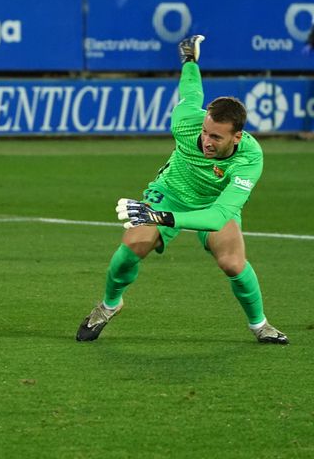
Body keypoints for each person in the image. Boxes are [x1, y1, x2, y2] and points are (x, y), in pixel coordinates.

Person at [76, 35, 288, 345]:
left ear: (237, 137)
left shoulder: (249, 159)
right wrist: (190, 61)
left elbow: (217, 217)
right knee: (132, 246)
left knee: (232, 263)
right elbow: (190, 93)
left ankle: (260, 325)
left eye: (216, 137)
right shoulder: (187, 122)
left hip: (214, 203)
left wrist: (166, 218)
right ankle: (109, 305)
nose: (206, 140)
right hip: (171, 190)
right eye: (205, 131)